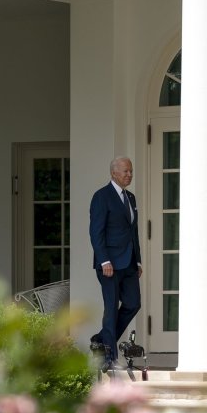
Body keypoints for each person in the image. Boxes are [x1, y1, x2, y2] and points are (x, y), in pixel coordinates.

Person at [89, 156, 142, 373]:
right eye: (125, 171)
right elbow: (96, 231)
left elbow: (133, 232)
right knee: (111, 308)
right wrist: (104, 260)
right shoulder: (102, 196)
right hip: (109, 263)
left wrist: (137, 259)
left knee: (133, 303)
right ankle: (109, 357)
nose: (129, 175)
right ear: (113, 173)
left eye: (131, 171)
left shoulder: (131, 197)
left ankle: (100, 340)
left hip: (129, 262)